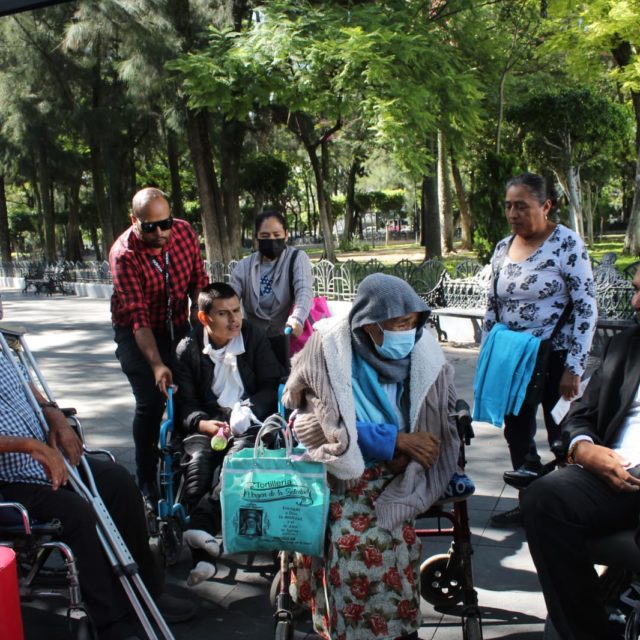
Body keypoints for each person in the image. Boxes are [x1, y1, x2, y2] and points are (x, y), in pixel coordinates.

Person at [282, 273, 461, 640]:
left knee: (394, 543)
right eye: (398, 324)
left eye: (411, 323)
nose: (407, 332)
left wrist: (408, 453)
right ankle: (345, 629)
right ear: (369, 323)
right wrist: (392, 441)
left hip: (400, 471)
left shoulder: (423, 351)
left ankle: (399, 630)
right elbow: (313, 422)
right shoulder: (328, 348)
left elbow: (437, 423)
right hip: (341, 470)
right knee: (349, 546)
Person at [0, 350, 197, 640]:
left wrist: (55, 416)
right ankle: (111, 621)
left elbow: (27, 388)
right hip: (11, 480)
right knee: (76, 512)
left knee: (118, 483)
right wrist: (29, 446)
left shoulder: (3, 346)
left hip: (49, 458)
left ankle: (148, 591)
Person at [521, 267, 640, 640]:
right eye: (636, 290)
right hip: (616, 472)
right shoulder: (627, 345)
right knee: (543, 497)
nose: (635, 302)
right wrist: (584, 450)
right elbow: (581, 413)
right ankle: (588, 630)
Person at [481, 173, 597, 525]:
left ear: (545, 206)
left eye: (521, 206)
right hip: (513, 359)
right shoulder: (503, 248)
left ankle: (569, 507)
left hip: (556, 358)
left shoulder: (567, 244)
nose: (512, 214)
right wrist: (487, 355)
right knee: (517, 432)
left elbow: (586, 307)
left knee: (563, 432)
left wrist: (574, 367)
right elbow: (492, 306)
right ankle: (529, 504)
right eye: (508, 206)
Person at [173, 282, 285, 585]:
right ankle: (203, 556)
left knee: (234, 468)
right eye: (224, 313)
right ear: (204, 317)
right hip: (207, 424)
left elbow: (271, 384)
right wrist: (203, 424)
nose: (235, 319)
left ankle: (200, 538)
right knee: (197, 470)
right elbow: (185, 404)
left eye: (237, 310)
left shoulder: (253, 337)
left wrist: (247, 409)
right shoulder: (188, 349)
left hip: (248, 421)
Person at [109, 187, 208, 499]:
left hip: (177, 323)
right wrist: (156, 365)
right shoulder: (124, 254)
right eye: (151, 227)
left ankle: (189, 466)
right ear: (135, 221)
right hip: (136, 331)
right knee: (152, 402)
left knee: (191, 393)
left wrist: (201, 321)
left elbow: (198, 281)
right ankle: (146, 478)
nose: (161, 233)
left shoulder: (184, 232)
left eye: (165, 224)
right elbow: (138, 318)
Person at [229, 209, 313, 338]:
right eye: (265, 236)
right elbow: (230, 297)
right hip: (253, 339)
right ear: (256, 236)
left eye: (276, 234)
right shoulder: (244, 266)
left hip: (287, 337)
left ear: (286, 235)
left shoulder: (297, 258)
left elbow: (304, 291)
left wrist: (297, 318)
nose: (272, 240)